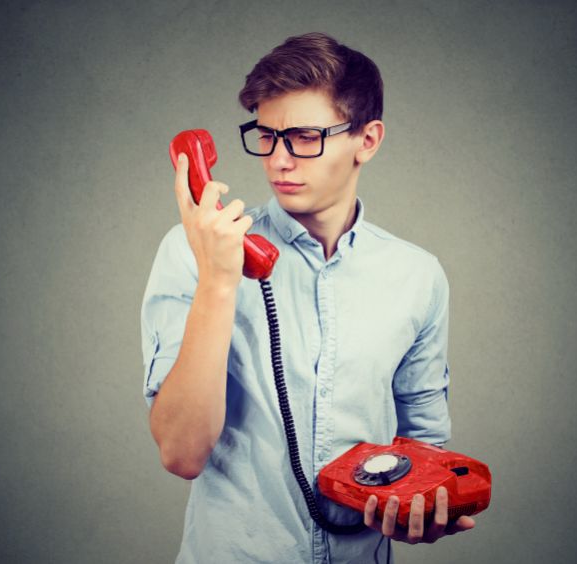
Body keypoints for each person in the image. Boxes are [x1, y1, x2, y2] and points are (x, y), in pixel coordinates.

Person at [141, 32, 475, 563]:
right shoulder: (193, 251)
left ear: (367, 140)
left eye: (303, 137)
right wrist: (218, 281)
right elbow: (181, 453)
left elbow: (423, 448)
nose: (278, 160)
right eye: (266, 136)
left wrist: (424, 508)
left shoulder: (418, 275)